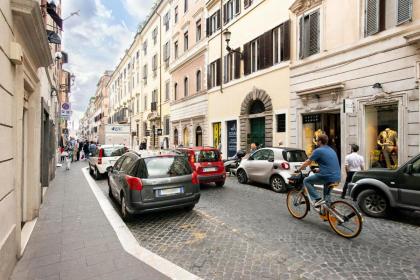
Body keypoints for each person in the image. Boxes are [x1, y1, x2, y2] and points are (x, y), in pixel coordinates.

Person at [297, 134, 341, 207]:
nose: (316, 142)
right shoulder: (331, 150)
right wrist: (319, 169)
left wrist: (298, 169)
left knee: (306, 181)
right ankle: (328, 213)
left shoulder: (318, 151)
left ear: (320, 141)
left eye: (317, 141)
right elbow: (329, 164)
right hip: (337, 177)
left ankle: (317, 199)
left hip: (327, 176)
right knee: (326, 197)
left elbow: (308, 162)